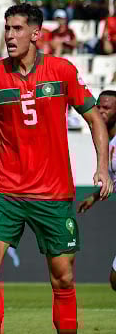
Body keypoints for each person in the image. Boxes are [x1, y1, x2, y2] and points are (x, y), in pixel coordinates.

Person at [0, 3, 113, 334]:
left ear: (36, 34)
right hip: (6, 194)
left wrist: (103, 168)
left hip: (53, 195)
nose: (9, 35)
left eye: (17, 29)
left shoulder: (61, 70)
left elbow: (94, 117)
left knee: (63, 278)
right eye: (7, 28)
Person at [77, 91, 116, 293]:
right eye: (98, 106)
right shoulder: (107, 143)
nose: (101, 111)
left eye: (107, 107)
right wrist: (94, 197)